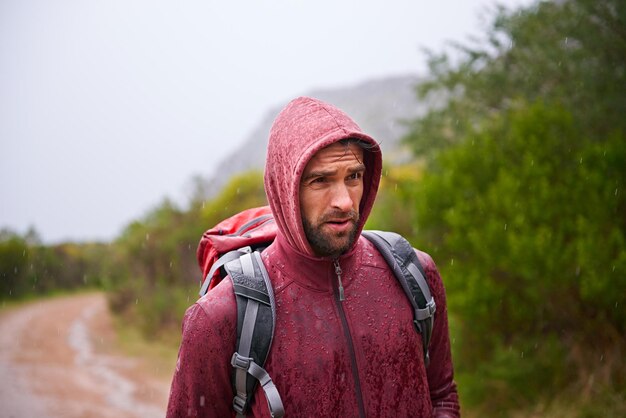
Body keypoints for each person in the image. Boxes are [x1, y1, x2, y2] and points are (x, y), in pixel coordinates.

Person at [167, 97, 460, 417]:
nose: (345, 202)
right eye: (321, 180)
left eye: (353, 177)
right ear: (286, 188)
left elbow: (442, 395)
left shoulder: (414, 275)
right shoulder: (221, 317)